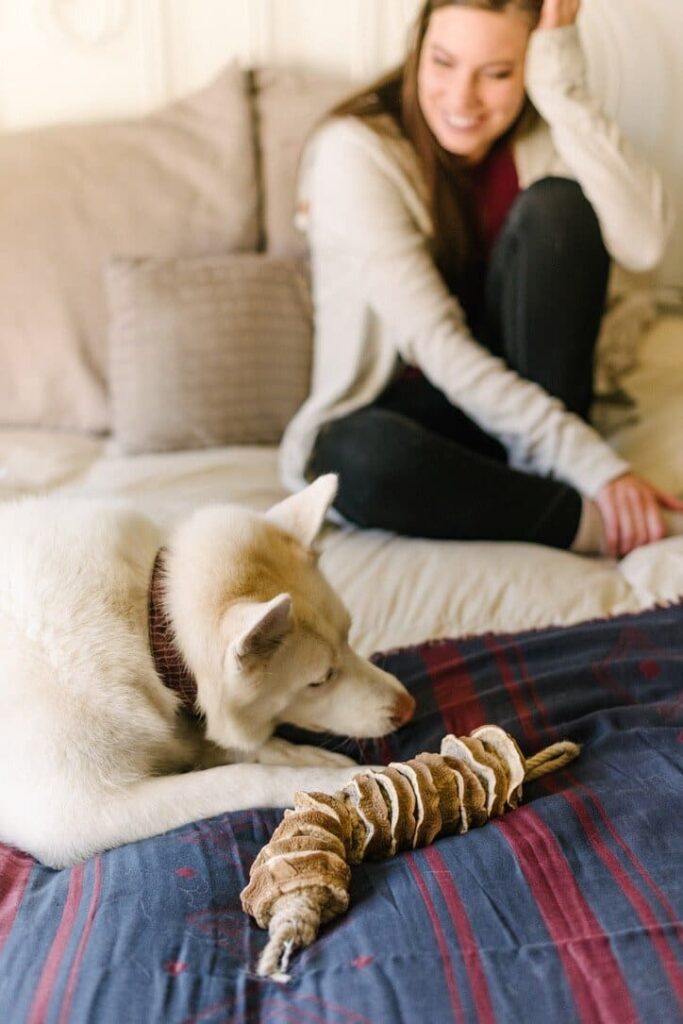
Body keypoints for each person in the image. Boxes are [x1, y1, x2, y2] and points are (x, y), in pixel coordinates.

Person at [279, 0, 683, 557]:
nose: (461, 100)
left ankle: (540, 487)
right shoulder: (354, 151)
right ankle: (588, 523)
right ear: (417, 48)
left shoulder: (546, 132)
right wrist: (599, 473)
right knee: (351, 458)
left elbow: (644, 243)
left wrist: (561, 84)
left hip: (540, 395)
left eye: (496, 74)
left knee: (560, 208)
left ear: (530, 65)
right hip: (422, 411)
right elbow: (437, 343)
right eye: (443, 62)